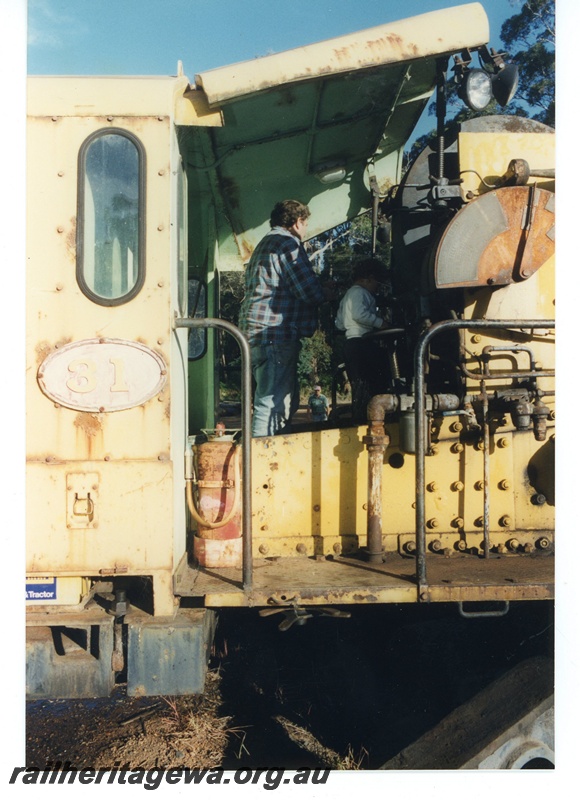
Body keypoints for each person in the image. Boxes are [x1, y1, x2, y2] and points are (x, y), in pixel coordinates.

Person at [239, 200, 333, 437]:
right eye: (305, 223)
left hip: (259, 333)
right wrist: (329, 291)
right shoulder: (287, 243)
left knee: (274, 400)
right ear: (297, 221)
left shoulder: (265, 243)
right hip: (274, 335)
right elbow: (308, 291)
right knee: (272, 404)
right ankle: (262, 462)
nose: (305, 229)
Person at [335, 258, 390, 421]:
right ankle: (371, 417)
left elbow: (339, 322)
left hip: (351, 343)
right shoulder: (360, 292)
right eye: (377, 283)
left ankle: (361, 416)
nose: (377, 288)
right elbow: (360, 314)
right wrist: (381, 323)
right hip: (362, 343)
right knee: (371, 383)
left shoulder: (348, 295)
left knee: (359, 385)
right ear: (369, 278)